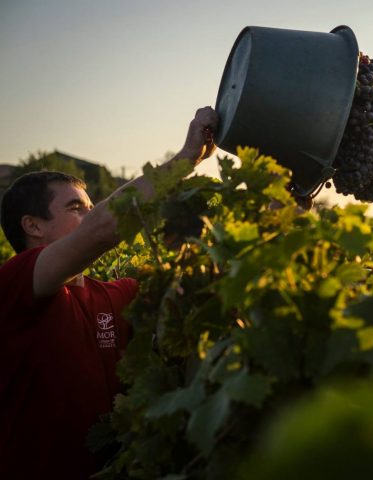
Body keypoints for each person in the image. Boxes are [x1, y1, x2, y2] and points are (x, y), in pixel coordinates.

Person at [0, 107, 219, 479]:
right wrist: (185, 160)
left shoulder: (117, 294)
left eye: (91, 208)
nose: (91, 215)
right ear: (33, 225)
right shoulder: (14, 283)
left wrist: (286, 207)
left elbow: (208, 283)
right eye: (76, 208)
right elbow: (102, 228)